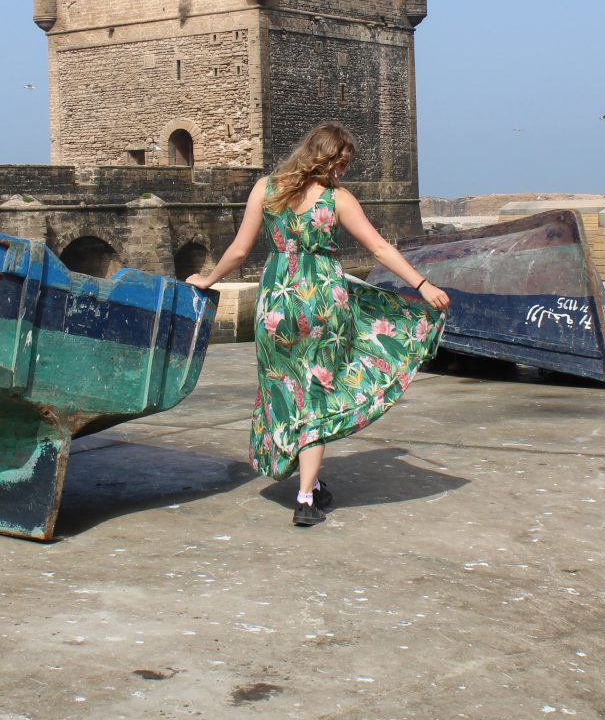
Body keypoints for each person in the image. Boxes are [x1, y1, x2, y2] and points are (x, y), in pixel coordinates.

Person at [186, 122, 449, 527]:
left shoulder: (266, 188)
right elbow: (378, 247)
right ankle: (306, 497)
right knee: (318, 392)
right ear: (327, 158)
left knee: (285, 387)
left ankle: (301, 476)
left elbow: (239, 251)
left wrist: (206, 280)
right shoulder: (337, 199)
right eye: (340, 163)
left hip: (276, 305)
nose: (341, 172)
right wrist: (422, 283)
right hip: (324, 304)